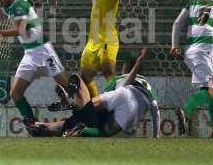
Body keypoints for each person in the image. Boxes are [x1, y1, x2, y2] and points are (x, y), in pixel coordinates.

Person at [0, 0, 73, 130]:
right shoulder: (9, 7)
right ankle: (31, 123)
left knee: (68, 87)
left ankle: (84, 110)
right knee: (15, 93)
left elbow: (21, 31)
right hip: (29, 54)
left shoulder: (19, 5)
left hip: (43, 50)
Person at [29, 48, 160, 138]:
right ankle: (78, 127)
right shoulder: (145, 83)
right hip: (132, 112)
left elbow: (112, 95)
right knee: (104, 131)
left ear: (124, 68)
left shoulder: (118, 80)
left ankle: (67, 107)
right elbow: (154, 107)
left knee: (86, 108)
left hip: (121, 93)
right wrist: (156, 136)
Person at [171, 0, 213, 135]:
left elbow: (177, 23)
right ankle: (185, 110)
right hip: (206, 49)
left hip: (194, 50)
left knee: (210, 88)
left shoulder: (194, 2)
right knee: (209, 88)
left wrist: (174, 45)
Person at [74, 0, 121, 98]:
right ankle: (95, 106)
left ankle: (116, 103)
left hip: (108, 40)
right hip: (93, 41)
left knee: (109, 72)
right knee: (84, 78)